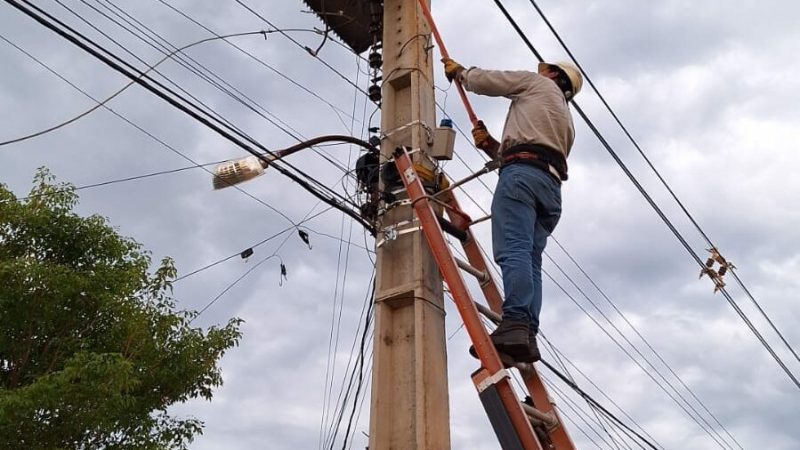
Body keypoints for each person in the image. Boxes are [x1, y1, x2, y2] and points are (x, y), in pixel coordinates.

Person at [442, 58, 582, 364]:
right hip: (550, 188)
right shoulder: (566, 120)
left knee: (514, 250)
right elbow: (535, 151)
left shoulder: (537, 83)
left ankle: (516, 322)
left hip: (522, 176)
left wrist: (463, 74)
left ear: (554, 75)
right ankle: (526, 332)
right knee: (531, 259)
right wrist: (493, 146)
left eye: (545, 68)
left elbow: (491, 81)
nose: (540, 70)